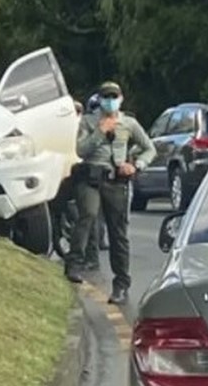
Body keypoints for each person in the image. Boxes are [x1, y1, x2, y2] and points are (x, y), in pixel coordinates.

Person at [65, 81, 156, 304]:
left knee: (118, 233)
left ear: (121, 98)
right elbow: (80, 149)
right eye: (106, 96)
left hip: (116, 182)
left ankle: (121, 284)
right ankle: (75, 263)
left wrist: (137, 166)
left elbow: (149, 148)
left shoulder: (129, 123)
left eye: (114, 96)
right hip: (90, 179)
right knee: (87, 215)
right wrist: (99, 132)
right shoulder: (88, 121)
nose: (110, 100)